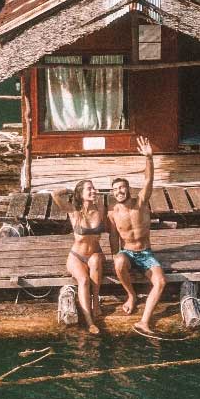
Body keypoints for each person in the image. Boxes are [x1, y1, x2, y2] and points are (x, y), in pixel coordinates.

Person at [108, 135, 166, 334]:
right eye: (115, 189)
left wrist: (149, 158)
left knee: (160, 282)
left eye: (122, 187)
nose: (119, 191)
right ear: (113, 194)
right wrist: (115, 254)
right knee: (118, 262)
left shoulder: (141, 202)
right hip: (128, 253)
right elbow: (113, 238)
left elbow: (148, 179)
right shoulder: (113, 213)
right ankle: (131, 295)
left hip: (146, 253)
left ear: (128, 189)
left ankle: (144, 321)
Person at [51, 179, 106, 334]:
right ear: (81, 194)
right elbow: (55, 195)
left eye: (94, 188)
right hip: (76, 256)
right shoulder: (73, 211)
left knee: (95, 260)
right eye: (89, 189)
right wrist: (69, 190)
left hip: (94, 254)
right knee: (83, 280)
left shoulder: (100, 207)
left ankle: (95, 300)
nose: (93, 191)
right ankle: (89, 321)